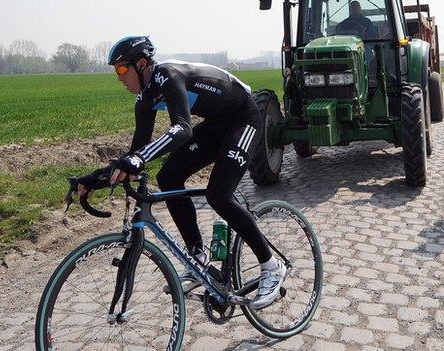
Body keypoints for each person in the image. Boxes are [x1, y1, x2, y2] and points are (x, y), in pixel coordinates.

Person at [77, 36, 287, 310]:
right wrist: (94, 179)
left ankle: (271, 266)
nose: (119, 78)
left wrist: (139, 159)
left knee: (219, 195)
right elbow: (136, 152)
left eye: (121, 69)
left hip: (244, 118)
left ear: (141, 64)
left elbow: (182, 129)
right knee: (168, 177)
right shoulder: (145, 98)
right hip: (217, 124)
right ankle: (198, 258)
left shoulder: (167, 75)